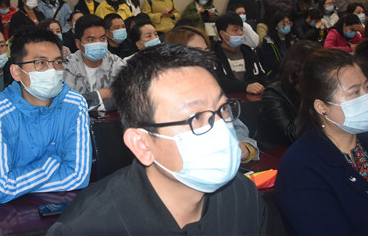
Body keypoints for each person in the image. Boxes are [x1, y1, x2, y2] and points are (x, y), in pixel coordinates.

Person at [47, 43, 267, 235]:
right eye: (195, 117)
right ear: (142, 144)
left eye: (223, 108)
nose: (219, 128)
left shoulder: (243, 196)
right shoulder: (87, 227)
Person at [274, 48, 368, 236]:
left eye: (367, 87)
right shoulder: (300, 167)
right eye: (355, 92)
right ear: (321, 106)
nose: (367, 97)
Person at [0, 29, 91, 203]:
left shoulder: (75, 104)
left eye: (57, 62)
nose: (52, 70)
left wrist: (17, 186)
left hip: (57, 203)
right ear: (16, 72)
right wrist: (50, 165)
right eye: (41, 63)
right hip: (4, 210)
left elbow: (78, 176)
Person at [164, 25, 260, 163]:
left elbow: (236, 126)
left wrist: (244, 145)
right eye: (197, 52)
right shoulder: (165, 98)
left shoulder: (212, 89)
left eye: (206, 51)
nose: (204, 58)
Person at [257, 40, 322, 150]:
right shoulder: (274, 93)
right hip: (278, 151)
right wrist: (308, 96)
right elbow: (293, 135)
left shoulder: (320, 88)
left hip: (311, 148)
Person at [63, 14, 125, 111]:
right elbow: (66, 104)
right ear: (78, 44)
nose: (98, 43)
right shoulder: (67, 65)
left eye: (102, 38)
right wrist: (101, 94)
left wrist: (92, 104)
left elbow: (127, 97)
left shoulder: (115, 62)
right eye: (91, 40)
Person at [213, 12, 267, 95]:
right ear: (223, 34)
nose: (240, 33)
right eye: (235, 30)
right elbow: (219, 82)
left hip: (254, 98)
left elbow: (262, 77)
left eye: (241, 29)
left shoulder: (249, 52)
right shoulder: (214, 55)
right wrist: (245, 87)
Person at [260, 11, 294, 81]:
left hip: (291, 72)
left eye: (288, 23)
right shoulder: (268, 42)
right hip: (275, 75)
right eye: (283, 24)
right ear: (275, 26)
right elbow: (271, 62)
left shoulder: (292, 40)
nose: (287, 26)